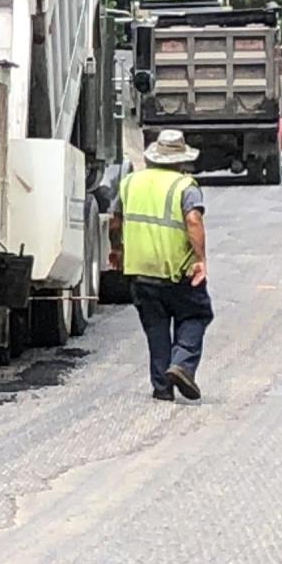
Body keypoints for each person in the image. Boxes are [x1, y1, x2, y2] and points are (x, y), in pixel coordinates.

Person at [108, 127, 212, 401]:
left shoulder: (130, 182)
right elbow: (193, 221)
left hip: (140, 273)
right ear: (181, 160)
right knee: (196, 315)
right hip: (178, 271)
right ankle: (182, 364)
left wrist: (117, 250)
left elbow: (115, 221)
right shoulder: (184, 186)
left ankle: (162, 387)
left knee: (155, 327)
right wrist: (201, 259)